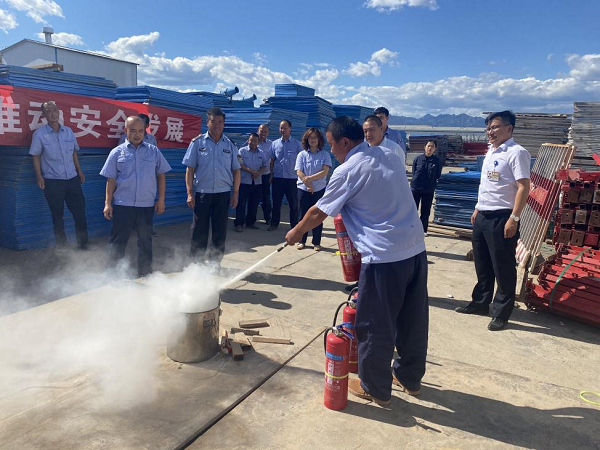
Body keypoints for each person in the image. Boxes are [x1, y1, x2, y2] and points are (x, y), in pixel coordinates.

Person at [285, 117, 428, 406]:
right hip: (415, 249)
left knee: (374, 324)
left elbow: (318, 212)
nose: (331, 150)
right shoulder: (389, 154)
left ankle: (374, 387)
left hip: (384, 257)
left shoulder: (348, 170)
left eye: (331, 144)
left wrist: (296, 231)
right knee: (412, 319)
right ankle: (409, 378)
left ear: (345, 142)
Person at [455, 110, 531, 331]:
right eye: (488, 128)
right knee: (483, 263)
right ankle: (480, 302)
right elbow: (488, 184)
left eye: (495, 127)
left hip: (502, 217)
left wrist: (514, 218)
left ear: (509, 128)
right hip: (483, 215)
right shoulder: (491, 151)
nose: (490, 132)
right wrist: (477, 208)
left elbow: (524, 187)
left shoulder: (517, 153)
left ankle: (501, 313)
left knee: (503, 266)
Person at [100, 116, 171, 276]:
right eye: (133, 130)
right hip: (123, 204)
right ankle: (113, 274)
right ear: (126, 131)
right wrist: (107, 203)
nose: (137, 134)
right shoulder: (117, 152)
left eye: (140, 131)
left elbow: (161, 175)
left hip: (146, 204)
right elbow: (110, 179)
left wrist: (161, 199)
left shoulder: (153, 151)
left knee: (145, 240)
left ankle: (145, 272)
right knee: (118, 240)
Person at [182, 107, 241, 262]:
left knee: (219, 231)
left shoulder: (230, 145)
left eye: (220, 122)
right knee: (199, 231)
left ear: (224, 124)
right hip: (202, 194)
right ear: (207, 123)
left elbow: (236, 171)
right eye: (213, 121)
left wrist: (235, 193)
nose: (217, 125)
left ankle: (214, 264)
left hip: (223, 194)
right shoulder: (197, 143)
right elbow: (190, 169)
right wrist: (189, 193)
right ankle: (196, 264)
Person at [29, 101, 89, 249]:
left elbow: (73, 152)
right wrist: (39, 176)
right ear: (44, 115)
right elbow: (36, 155)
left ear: (59, 112)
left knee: (80, 213)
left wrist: (79, 170)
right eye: (48, 111)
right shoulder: (40, 135)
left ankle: (83, 245)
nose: (53, 113)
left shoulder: (68, 132)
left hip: (72, 179)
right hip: (53, 181)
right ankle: (63, 249)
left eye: (55, 110)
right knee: (57, 216)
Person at [295, 128, 332, 251]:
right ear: (307, 139)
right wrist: (308, 183)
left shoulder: (325, 155)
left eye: (315, 137)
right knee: (302, 215)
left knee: (318, 216)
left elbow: (325, 171)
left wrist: (310, 179)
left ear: (319, 140)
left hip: (319, 190)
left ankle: (316, 242)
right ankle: (301, 241)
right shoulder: (302, 154)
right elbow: (299, 171)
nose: (313, 140)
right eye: (310, 138)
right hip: (303, 189)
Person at [269, 119, 302, 231]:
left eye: (285, 128)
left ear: (290, 129)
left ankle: (294, 226)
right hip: (278, 178)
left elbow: (302, 160)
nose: (283, 130)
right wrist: (271, 174)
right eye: (281, 128)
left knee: (293, 204)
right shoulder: (274, 144)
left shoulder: (297, 144)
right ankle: (274, 223)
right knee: (276, 203)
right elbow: (272, 160)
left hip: (292, 179)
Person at [235, 133, 268, 232]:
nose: (253, 142)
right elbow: (240, 164)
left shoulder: (261, 153)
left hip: (257, 182)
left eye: (255, 141)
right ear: (248, 140)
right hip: (244, 182)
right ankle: (239, 223)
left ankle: (250, 222)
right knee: (241, 203)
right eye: (251, 140)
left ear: (258, 142)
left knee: (254, 203)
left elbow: (265, 165)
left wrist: (258, 173)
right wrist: (251, 171)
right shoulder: (242, 151)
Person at [411, 140, 443, 235]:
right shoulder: (418, 159)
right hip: (416, 188)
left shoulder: (437, 161)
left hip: (428, 190)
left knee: (425, 211)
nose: (430, 148)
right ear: (424, 147)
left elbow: (437, 175)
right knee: (412, 210)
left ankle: (423, 230)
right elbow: (414, 172)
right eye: (428, 146)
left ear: (435, 149)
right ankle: (411, 228)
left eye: (432, 146)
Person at [257, 124, 273, 224]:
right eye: (261, 131)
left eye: (265, 131)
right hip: (253, 175)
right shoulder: (252, 141)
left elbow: (273, 160)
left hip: (265, 174)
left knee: (266, 197)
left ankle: (268, 217)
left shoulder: (271, 144)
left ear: (268, 133)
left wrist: (272, 174)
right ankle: (251, 219)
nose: (263, 133)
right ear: (258, 130)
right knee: (253, 197)